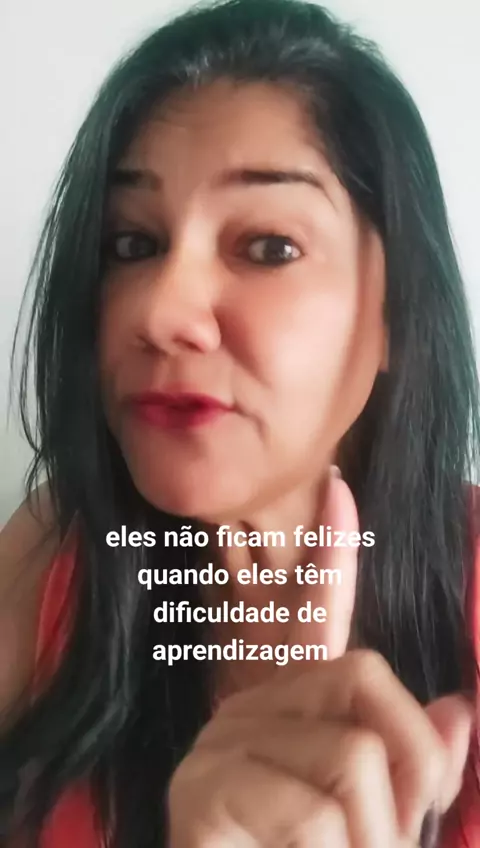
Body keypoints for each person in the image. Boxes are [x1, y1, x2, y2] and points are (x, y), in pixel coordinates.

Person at [1, 0, 479, 844]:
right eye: (132, 244)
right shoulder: (48, 567)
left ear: (396, 312)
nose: (160, 312)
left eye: (268, 247)